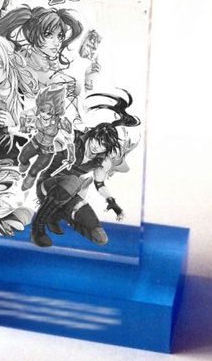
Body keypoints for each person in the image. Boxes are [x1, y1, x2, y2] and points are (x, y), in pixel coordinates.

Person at [30, 92, 140, 247]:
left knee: (100, 237)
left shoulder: (101, 160)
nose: (97, 147)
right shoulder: (73, 138)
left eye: (103, 146)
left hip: (67, 194)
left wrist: (112, 203)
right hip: (47, 186)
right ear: (93, 134)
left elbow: (100, 184)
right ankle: (38, 226)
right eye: (97, 141)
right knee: (74, 181)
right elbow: (52, 140)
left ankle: (56, 214)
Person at [18, 84, 75, 192]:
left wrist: (71, 156)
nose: (44, 115)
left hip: (47, 152)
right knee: (22, 159)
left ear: (56, 110)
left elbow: (69, 140)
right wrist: (23, 126)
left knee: (33, 172)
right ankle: (22, 171)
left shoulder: (61, 121)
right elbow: (23, 114)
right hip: (34, 143)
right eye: (42, 111)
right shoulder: (37, 110)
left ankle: (25, 186)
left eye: (49, 113)